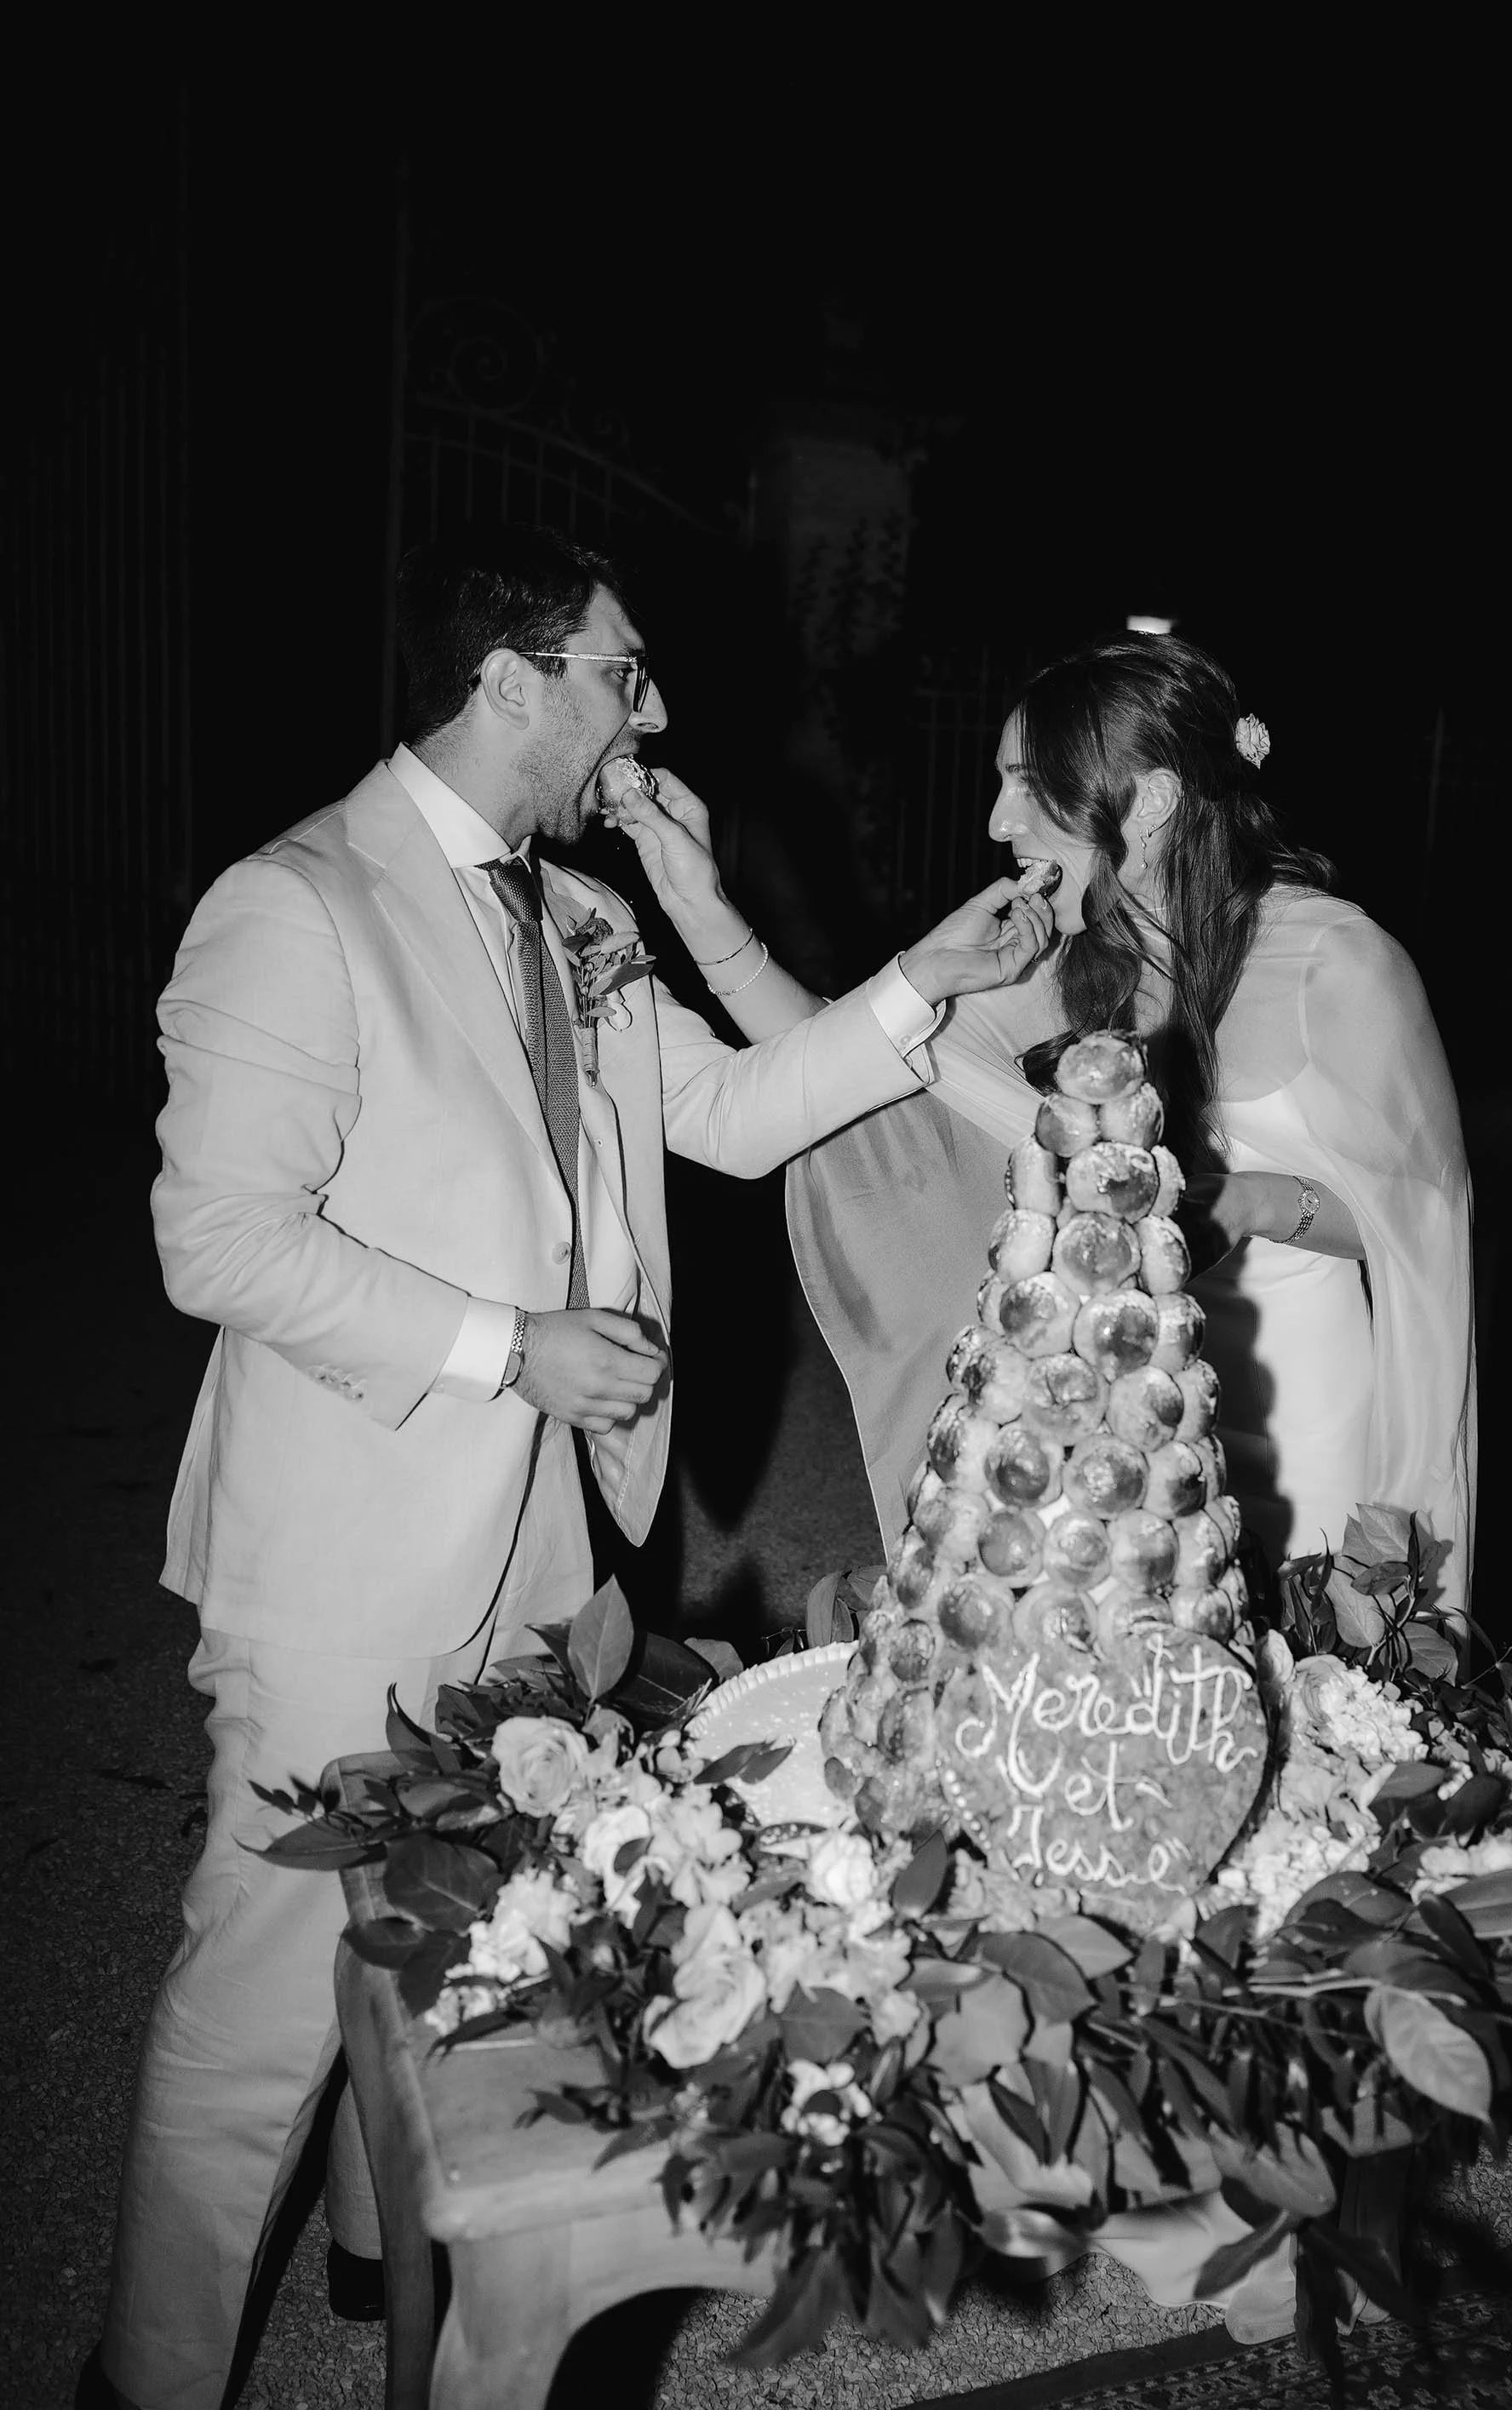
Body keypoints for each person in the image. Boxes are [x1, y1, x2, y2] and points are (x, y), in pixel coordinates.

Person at [86, 525, 1051, 2410]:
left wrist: (921, 979)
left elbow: (742, 1113)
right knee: (269, 1985)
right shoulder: (298, 902)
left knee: (461, 1928)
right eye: (624, 671)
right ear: (510, 679)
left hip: (545, 1541)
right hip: (351, 1538)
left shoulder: (576, 912)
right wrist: (513, 1348)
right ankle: (147, 2369)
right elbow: (216, 1238)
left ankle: (389, 2261)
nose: (655, 708)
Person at [774, 634, 1476, 1611]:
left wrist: (1249, 1204)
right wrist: (701, 905)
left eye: (1029, 784)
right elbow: (860, 1061)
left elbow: (1422, 1241)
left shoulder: (1343, 964)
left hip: (1301, 1399)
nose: (996, 819)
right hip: (1123, 1402)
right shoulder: (1075, 961)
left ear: (1148, 800)